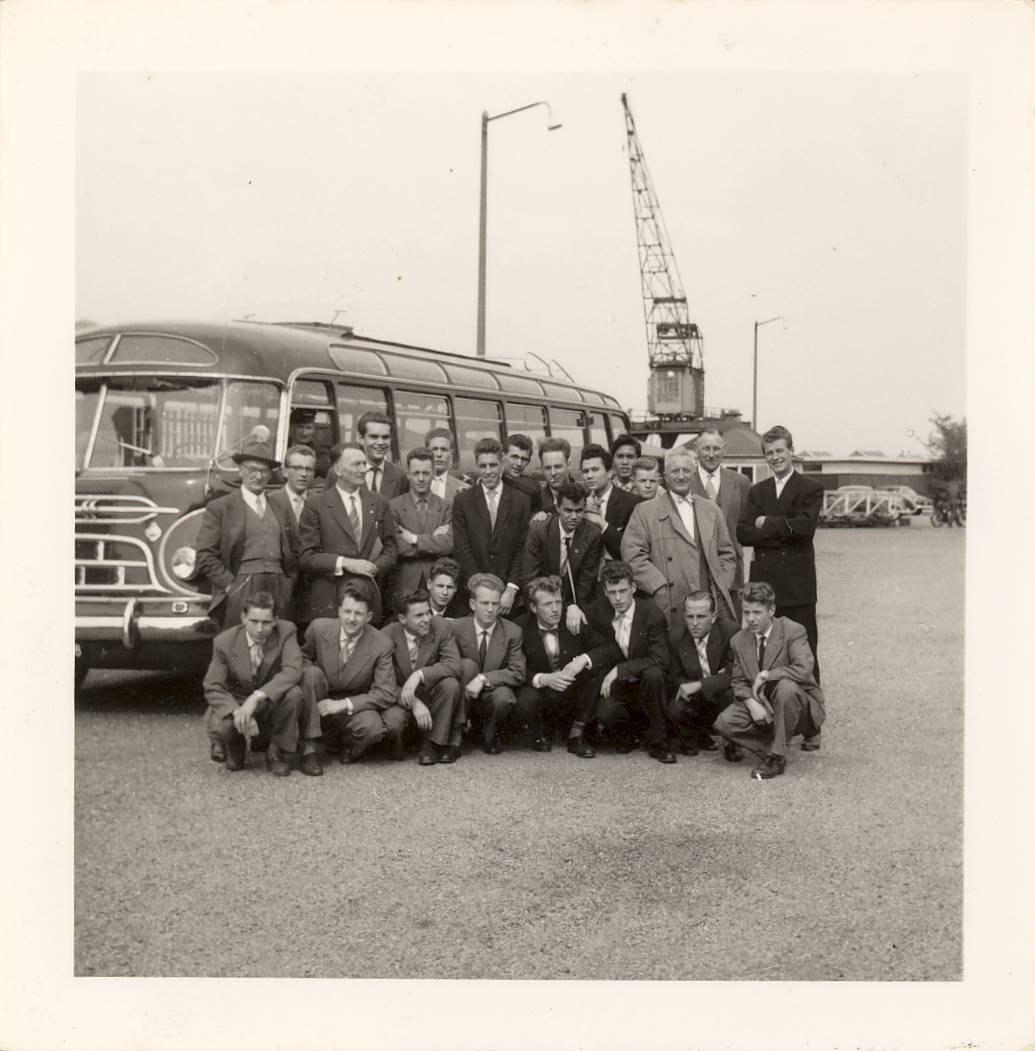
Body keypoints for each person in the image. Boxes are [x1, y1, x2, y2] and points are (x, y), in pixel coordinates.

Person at [737, 424, 824, 685]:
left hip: (798, 586)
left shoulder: (810, 487)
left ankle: (810, 717)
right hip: (765, 584)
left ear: (791, 451)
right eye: (769, 453)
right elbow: (743, 533)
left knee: (804, 649)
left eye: (779, 451)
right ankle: (772, 710)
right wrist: (784, 528)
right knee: (767, 649)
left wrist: (767, 523)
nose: (775, 457)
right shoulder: (757, 491)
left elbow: (805, 529)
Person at [714, 582, 826, 780]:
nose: (750, 619)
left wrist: (766, 675)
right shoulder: (739, 640)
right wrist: (751, 704)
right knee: (724, 722)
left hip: (799, 708)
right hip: (763, 705)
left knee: (786, 687)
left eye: (757, 612)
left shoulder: (792, 630)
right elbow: (739, 682)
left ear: (771, 610)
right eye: (746, 612)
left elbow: (803, 669)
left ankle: (777, 756)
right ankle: (774, 747)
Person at [203, 591, 322, 777]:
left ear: (275, 620)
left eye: (266, 622)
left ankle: (276, 750)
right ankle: (236, 744)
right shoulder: (224, 642)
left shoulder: (286, 631)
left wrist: (257, 697)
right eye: (254, 621)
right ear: (243, 618)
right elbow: (213, 685)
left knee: (294, 694)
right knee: (221, 728)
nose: (259, 628)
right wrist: (238, 712)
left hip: (267, 698)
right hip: (237, 699)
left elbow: (292, 670)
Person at [621, 447, 738, 636]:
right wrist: (658, 587)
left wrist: (721, 583)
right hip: (668, 602)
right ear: (665, 476)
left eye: (686, 471)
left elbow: (726, 552)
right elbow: (632, 555)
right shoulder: (645, 511)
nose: (681, 476)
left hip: (706, 600)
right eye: (675, 471)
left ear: (694, 474)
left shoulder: (711, 510)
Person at [194, 435, 296, 628]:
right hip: (242, 584)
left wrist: (288, 584)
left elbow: (295, 551)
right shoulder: (221, 507)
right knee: (240, 648)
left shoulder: (281, 506)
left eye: (264, 471)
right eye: (252, 469)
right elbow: (205, 555)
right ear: (240, 470)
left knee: (278, 645)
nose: (258, 476)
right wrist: (231, 586)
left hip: (278, 586)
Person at [300, 582, 405, 764]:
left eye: (358, 613)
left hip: (354, 704)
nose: (351, 618)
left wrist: (342, 704)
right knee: (311, 673)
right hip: (320, 699)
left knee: (372, 728)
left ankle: (348, 747)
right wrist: (314, 684)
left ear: (369, 617)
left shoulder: (381, 644)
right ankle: (310, 747)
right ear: (339, 611)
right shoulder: (318, 628)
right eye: (347, 612)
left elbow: (386, 692)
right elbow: (302, 657)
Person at [299, 441, 398, 625]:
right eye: (356, 464)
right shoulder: (316, 505)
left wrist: (373, 568)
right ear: (337, 470)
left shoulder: (379, 503)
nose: (363, 469)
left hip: (367, 598)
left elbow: (391, 549)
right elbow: (307, 556)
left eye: (364, 464)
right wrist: (345, 563)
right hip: (330, 600)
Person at [517, 575, 613, 758]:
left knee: (597, 667)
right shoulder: (520, 627)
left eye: (558, 602)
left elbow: (609, 649)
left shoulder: (573, 621)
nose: (555, 609)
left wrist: (583, 659)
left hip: (573, 692)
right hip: (542, 691)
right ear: (533, 607)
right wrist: (543, 679)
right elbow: (513, 666)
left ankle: (577, 733)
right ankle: (539, 732)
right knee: (526, 699)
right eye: (547, 604)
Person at [591, 561, 675, 763]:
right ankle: (626, 735)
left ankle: (658, 742)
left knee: (654, 674)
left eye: (623, 591)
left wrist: (622, 668)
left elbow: (661, 660)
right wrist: (573, 610)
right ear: (605, 591)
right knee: (605, 712)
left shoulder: (652, 614)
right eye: (612, 592)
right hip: (620, 686)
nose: (618, 598)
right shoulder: (599, 612)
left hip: (648, 683)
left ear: (633, 588)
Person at [381, 589, 464, 765]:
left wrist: (419, 674)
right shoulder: (386, 635)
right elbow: (382, 682)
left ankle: (432, 744)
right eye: (419, 615)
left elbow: (454, 664)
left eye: (428, 612)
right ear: (402, 619)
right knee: (393, 724)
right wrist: (414, 703)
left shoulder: (440, 626)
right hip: (399, 697)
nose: (426, 619)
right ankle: (403, 742)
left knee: (450, 684)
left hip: (429, 693)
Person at [451, 437, 532, 616]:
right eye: (482, 466)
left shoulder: (521, 501)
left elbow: (522, 548)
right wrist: (479, 588)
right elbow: (461, 547)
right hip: (474, 595)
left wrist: (511, 590)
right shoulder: (463, 501)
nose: (488, 472)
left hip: (508, 599)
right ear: (476, 466)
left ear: (502, 464)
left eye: (493, 465)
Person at [453, 573, 526, 756]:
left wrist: (484, 678)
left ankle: (489, 735)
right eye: (484, 603)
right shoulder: (456, 628)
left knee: (504, 697)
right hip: (463, 692)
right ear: (472, 604)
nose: (490, 609)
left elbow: (517, 672)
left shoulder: (512, 632)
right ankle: (454, 737)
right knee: (466, 665)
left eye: (495, 604)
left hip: (491, 691)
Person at [665, 590, 741, 760]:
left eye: (701, 617)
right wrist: (698, 687)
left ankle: (731, 742)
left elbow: (734, 674)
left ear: (713, 617)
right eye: (690, 617)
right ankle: (694, 737)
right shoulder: (676, 636)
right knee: (676, 706)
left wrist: (700, 684)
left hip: (721, 695)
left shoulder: (731, 632)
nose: (694, 623)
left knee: (733, 693)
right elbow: (675, 676)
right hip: (697, 699)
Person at [520, 481, 602, 634]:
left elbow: (586, 580)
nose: (574, 517)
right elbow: (529, 577)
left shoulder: (592, 534)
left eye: (579, 511)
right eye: (568, 510)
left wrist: (575, 606)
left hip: (574, 600)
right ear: (557, 507)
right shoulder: (539, 531)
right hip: (542, 600)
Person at [690, 429, 752, 613]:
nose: (711, 454)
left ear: (724, 449)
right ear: (696, 449)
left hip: (731, 571)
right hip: (695, 568)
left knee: (730, 627)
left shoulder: (741, 481)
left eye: (716, 449)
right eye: (706, 448)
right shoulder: (685, 480)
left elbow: (745, 525)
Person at [387, 448, 452, 612]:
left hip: (436, 585)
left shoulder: (445, 507)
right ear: (408, 475)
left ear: (434, 474)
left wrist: (414, 539)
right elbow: (397, 546)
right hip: (404, 584)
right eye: (416, 473)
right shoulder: (393, 506)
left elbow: (449, 544)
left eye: (426, 473)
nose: (421, 479)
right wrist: (433, 542)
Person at [268, 443, 318, 634]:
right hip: (280, 592)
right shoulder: (270, 502)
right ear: (285, 472)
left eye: (308, 469)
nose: (303, 474)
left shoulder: (319, 503)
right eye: (297, 468)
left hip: (311, 592)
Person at [579, 443, 642, 562]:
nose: (589, 476)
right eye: (585, 471)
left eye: (595, 469)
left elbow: (629, 549)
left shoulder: (631, 503)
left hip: (620, 571)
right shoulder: (581, 503)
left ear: (609, 473)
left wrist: (601, 522)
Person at [324, 411, 408, 497]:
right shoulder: (339, 473)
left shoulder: (400, 477)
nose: (380, 442)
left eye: (385, 437)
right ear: (361, 439)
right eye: (374, 437)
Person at [424, 427, 469, 505]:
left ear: (451, 454)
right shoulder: (411, 485)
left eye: (444, 450)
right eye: (434, 449)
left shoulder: (464, 489)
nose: (439, 454)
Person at [533, 436, 573, 518]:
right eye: (547, 468)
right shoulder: (534, 503)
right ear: (541, 468)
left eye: (558, 467)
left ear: (568, 464)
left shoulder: (587, 495)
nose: (553, 473)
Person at [500, 433, 541, 509]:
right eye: (514, 457)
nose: (519, 464)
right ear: (502, 456)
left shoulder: (532, 485)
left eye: (524, 459)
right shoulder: (490, 481)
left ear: (528, 461)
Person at [288, 408, 331, 479]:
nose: (304, 433)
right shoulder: (281, 445)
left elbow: (326, 471)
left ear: (314, 430)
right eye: (300, 427)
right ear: (292, 428)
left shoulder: (319, 450)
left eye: (309, 428)